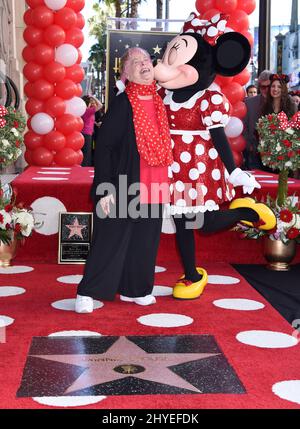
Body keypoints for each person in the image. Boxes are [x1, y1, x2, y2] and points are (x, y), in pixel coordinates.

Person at [154, 12, 276, 300]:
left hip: (199, 166)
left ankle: (246, 212)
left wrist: (234, 171)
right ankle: (192, 274)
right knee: (183, 223)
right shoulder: (165, 95)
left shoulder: (208, 98)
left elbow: (219, 138)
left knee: (205, 223)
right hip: (172, 168)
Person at [75, 47, 173, 313]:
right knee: (111, 238)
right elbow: (104, 147)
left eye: (146, 60)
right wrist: (104, 188)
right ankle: (87, 291)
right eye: (136, 62)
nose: (144, 64)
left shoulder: (159, 100)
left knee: (146, 240)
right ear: (126, 72)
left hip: (156, 182)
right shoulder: (122, 103)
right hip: (125, 182)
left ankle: (135, 289)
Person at [243, 70, 272, 169]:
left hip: (276, 153)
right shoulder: (250, 103)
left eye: (269, 86)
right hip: (254, 152)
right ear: (259, 87)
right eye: (263, 87)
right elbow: (244, 126)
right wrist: (249, 145)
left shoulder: (282, 102)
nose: (266, 90)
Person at [81, 95, 102, 167]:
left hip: (84, 133)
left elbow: (89, 120)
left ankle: (84, 166)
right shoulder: (88, 111)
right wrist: (94, 97)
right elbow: (100, 105)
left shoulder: (83, 111)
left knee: (85, 152)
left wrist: (96, 123)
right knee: (87, 153)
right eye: (91, 102)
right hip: (87, 133)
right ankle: (85, 167)